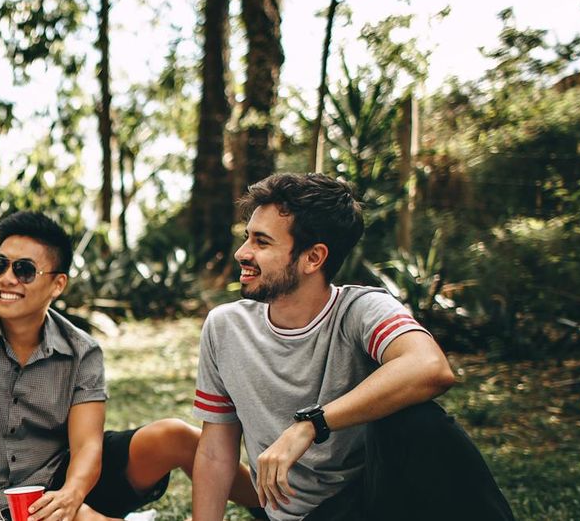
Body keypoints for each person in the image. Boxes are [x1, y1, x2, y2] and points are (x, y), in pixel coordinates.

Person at [190, 173, 515, 521]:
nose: (242, 252)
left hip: (371, 500)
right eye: (247, 238)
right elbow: (215, 453)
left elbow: (430, 367)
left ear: (313, 258)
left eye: (262, 242)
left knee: (419, 420)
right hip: (302, 516)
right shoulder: (225, 327)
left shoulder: (360, 310)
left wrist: (311, 424)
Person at [0, 211, 261, 521]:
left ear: (57, 284)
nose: (6, 278)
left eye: (24, 270)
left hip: (75, 479)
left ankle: (271, 508)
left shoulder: (82, 351)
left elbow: (87, 446)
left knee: (175, 435)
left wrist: (70, 496)